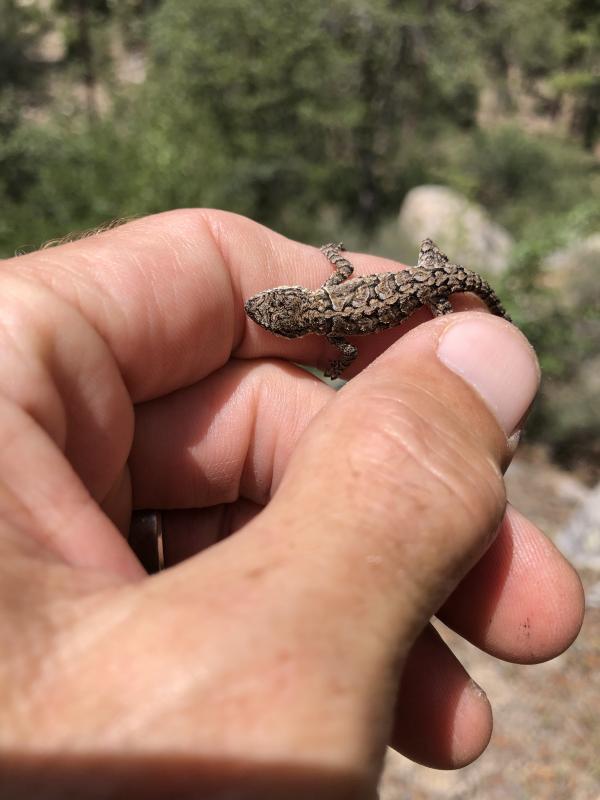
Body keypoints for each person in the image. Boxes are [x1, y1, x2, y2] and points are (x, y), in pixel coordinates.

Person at [0, 209, 583, 798]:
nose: (260, 309)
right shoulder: (331, 295)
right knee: (437, 273)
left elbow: (349, 351)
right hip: (428, 280)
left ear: (291, 315)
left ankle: (486, 330)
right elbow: (344, 269)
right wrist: (350, 264)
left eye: (267, 309)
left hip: (435, 295)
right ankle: (473, 301)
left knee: (459, 316)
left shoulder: (330, 328)